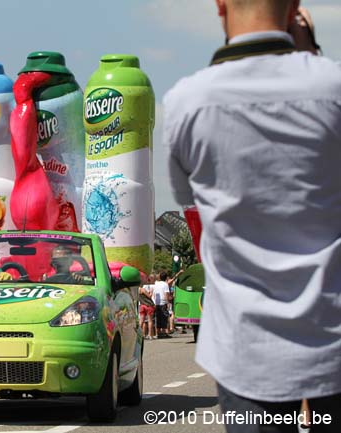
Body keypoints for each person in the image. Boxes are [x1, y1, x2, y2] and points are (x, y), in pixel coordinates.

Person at [164, 1, 341, 430]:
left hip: (244, 347)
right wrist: (309, 55)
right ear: (294, 7)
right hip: (331, 340)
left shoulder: (186, 103)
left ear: (220, 5)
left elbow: (192, 207)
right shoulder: (332, 87)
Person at [152, 271, 171, 338]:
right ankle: (163, 332)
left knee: (158, 318)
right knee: (164, 317)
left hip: (156, 303)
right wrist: (167, 302)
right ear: (166, 277)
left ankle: (158, 332)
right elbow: (166, 294)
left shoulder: (156, 283)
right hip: (163, 303)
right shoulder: (165, 284)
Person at [139, 273, 156, 340]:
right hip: (148, 305)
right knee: (150, 321)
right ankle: (150, 335)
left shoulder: (138, 290)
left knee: (141, 320)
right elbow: (149, 296)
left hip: (142, 305)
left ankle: (138, 334)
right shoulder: (142, 289)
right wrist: (151, 292)